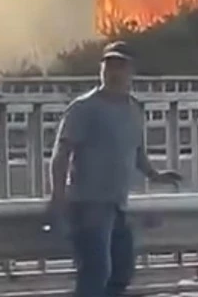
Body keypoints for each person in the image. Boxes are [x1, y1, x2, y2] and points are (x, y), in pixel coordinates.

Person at [49, 40, 181, 297]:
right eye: (108, 64)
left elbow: (136, 150)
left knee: (122, 270)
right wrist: (58, 195)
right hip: (89, 202)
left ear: (131, 70)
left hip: (117, 203)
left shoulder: (133, 108)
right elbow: (62, 151)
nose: (113, 71)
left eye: (120, 65)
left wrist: (154, 174)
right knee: (97, 271)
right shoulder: (84, 107)